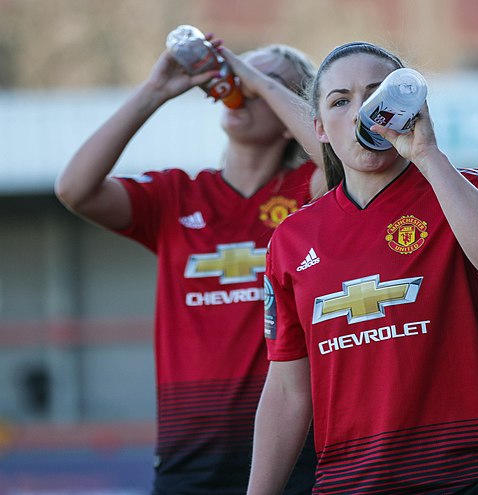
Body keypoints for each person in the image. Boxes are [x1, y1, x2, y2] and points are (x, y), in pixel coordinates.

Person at [245, 41, 478, 495]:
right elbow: (287, 390)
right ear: (319, 127)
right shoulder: (292, 238)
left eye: (378, 97)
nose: (363, 113)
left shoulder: (466, 189)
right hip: (348, 483)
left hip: (465, 477)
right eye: (341, 101)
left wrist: (427, 154)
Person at [55, 35, 323, 494]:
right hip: (191, 455)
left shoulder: (312, 191)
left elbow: (342, 158)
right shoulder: (177, 195)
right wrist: (155, 91)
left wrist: (258, 81)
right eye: (234, 74)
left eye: (265, 81)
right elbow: (74, 189)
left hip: (296, 451)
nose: (237, 83)